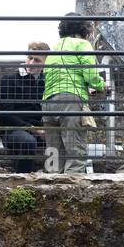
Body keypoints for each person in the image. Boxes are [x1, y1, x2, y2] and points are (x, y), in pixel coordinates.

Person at [41, 15, 107, 174]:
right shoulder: (82, 44)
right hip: (70, 100)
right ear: (84, 28)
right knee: (75, 151)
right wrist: (101, 85)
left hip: (48, 103)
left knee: (54, 154)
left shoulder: (54, 48)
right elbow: (90, 75)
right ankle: (69, 193)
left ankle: (50, 188)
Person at [0, 42, 50, 172]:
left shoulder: (47, 81)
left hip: (41, 131)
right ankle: (23, 183)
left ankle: (56, 180)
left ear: (45, 63)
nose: (31, 63)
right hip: (14, 131)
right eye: (29, 57)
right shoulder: (8, 79)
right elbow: (5, 113)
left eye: (36, 60)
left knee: (63, 139)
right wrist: (33, 129)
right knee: (27, 141)